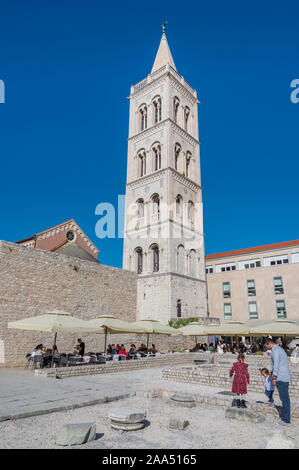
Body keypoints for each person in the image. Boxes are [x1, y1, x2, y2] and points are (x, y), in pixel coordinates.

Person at [265, 338, 291, 425]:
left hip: (281, 377)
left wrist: (274, 377)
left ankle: (287, 419)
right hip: (284, 376)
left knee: (284, 398)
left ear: (269, 344)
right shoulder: (280, 349)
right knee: (284, 398)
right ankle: (286, 417)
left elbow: (276, 364)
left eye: (266, 345)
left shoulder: (275, 351)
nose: (266, 347)